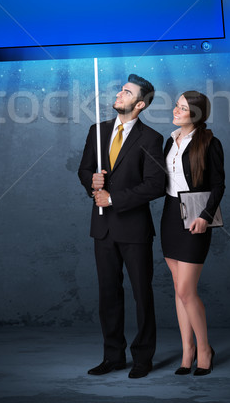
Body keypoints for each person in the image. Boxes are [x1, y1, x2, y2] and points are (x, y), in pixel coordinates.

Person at [78, 74, 165, 379]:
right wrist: (92, 182)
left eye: (126, 92)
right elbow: (85, 169)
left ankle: (143, 358)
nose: (119, 93)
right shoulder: (97, 131)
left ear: (139, 104)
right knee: (108, 294)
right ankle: (113, 356)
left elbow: (155, 184)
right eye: (120, 90)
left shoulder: (151, 139)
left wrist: (113, 198)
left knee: (142, 294)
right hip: (102, 229)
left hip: (134, 229)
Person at [160, 91, 225, 376]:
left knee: (187, 290)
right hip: (170, 214)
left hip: (196, 214)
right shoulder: (169, 140)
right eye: (176, 104)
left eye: (183, 107)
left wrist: (205, 217)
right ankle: (187, 351)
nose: (176, 110)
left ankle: (205, 348)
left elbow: (219, 184)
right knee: (178, 289)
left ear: (195, 114)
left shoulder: (210, 142)